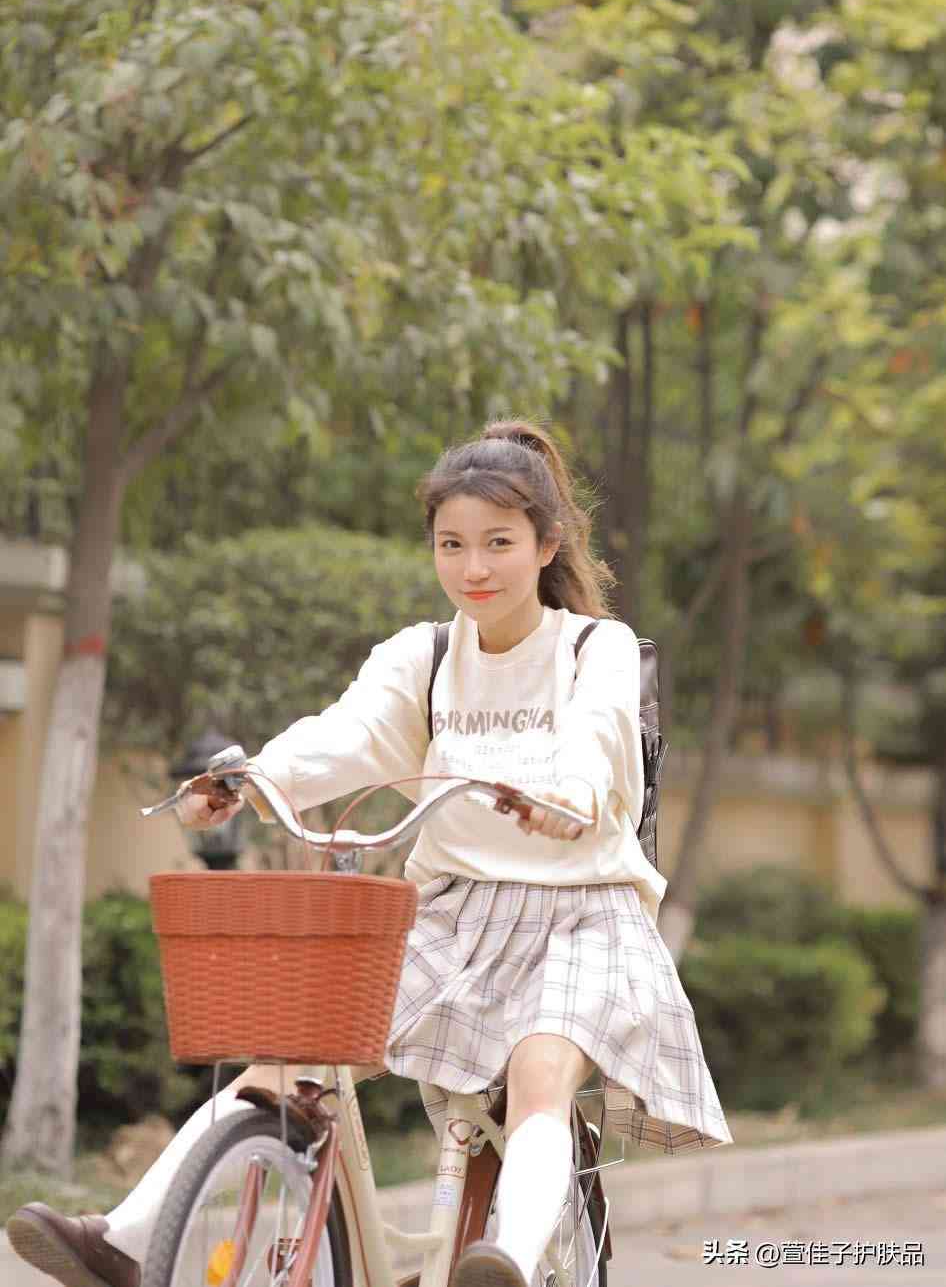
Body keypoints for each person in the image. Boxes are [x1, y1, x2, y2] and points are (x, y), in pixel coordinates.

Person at [7, 419, 732, 1287]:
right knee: (285, 1061)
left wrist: (566, 800)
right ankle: (120, 1243)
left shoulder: (593, 648)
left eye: (499, 543)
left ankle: (507, 1261)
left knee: (540, 1075)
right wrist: (248, 779)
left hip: (582, 912)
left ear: (546, 545)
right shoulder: (424, 656)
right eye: (452, 544)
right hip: (452, 913)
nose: (473, 567)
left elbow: (597, 736)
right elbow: (343, 736)